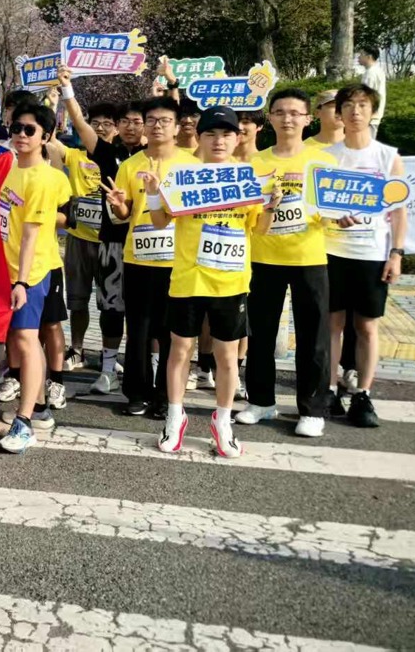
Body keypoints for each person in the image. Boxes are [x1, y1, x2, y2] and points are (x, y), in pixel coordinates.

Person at [138, 106, 279, 458]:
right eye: (211, 134)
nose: (219, 141)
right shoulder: (182, 175)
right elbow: (159, 221)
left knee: (227, 356)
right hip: (187, 279)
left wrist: (270, 206)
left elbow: (260, 230)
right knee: (179, 350)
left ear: (237, 138)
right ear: (199, 137)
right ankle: (175, 417)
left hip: (230, 282)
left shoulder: (247, 177)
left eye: (226, 134)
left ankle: (223, 421)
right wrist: (154, 192)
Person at [236, 89, 335, 438]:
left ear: (308, 118)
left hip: (310, 258)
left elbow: (334, 209)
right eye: (280, 112)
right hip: (263, 258)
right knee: (260, 334)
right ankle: (261, 401)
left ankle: (312, 409)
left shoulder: (322, 161)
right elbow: (244, 212)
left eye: (295, 113)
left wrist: (340, 216)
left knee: (313, 336)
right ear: (271, 118)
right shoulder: (255, 163)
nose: (288, 118)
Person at [103, 97, 199, 419]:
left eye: (165, 120)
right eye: (152, 120)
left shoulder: (191, 165)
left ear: (177, 126)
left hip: (179, 262)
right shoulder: (130, 166)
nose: (158, 126)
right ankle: (136, 393)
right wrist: (118, 206)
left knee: (172, 332)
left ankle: (166, 395)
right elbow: (125, 213)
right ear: (144, 125)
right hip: (139, 260)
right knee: (139, 329)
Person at [324, 84, 408, 428]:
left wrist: (396, 254)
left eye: (362, 105)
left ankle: (363, 395)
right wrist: (333, 217)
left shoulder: (387, 157)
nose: (355, 111)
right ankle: (329, 390)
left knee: (367, 326)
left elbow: (399, 211)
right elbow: (318, 207)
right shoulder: (327, 157)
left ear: (373, 112)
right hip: (331, 252)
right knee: (332, 324)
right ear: (339, 113)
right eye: (348, 105)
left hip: (372, 254)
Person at [58, 72, 145, 395]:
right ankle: (108, 369)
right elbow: (80, 124)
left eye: (138, 121)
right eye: (125, 121)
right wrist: (66, 89)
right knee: (110, 309)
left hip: (150, 247)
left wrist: (169, 89)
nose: (131, 127)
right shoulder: (107, 154)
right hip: (112, 244)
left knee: (145, 313)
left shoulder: (157, 156)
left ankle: (144, 370)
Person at [0, 103, 71, 453]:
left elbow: (30, 235)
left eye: (30, 130)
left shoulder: (41, 178)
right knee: (22, 339)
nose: (21, 135)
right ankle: (39, 409)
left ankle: (24, 422)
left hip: (33, 271)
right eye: (16, 128)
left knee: (27, 339)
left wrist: (22, 282)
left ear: (45, 136)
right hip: (9, 268)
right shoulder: (10, 170)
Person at [357, 50, 387, 137]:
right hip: (372, 115)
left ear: (369, 56)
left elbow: (366, 96)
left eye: (361, 54)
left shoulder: (371, 73)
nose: (358, 57)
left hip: (369, 116)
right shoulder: (377, 71)